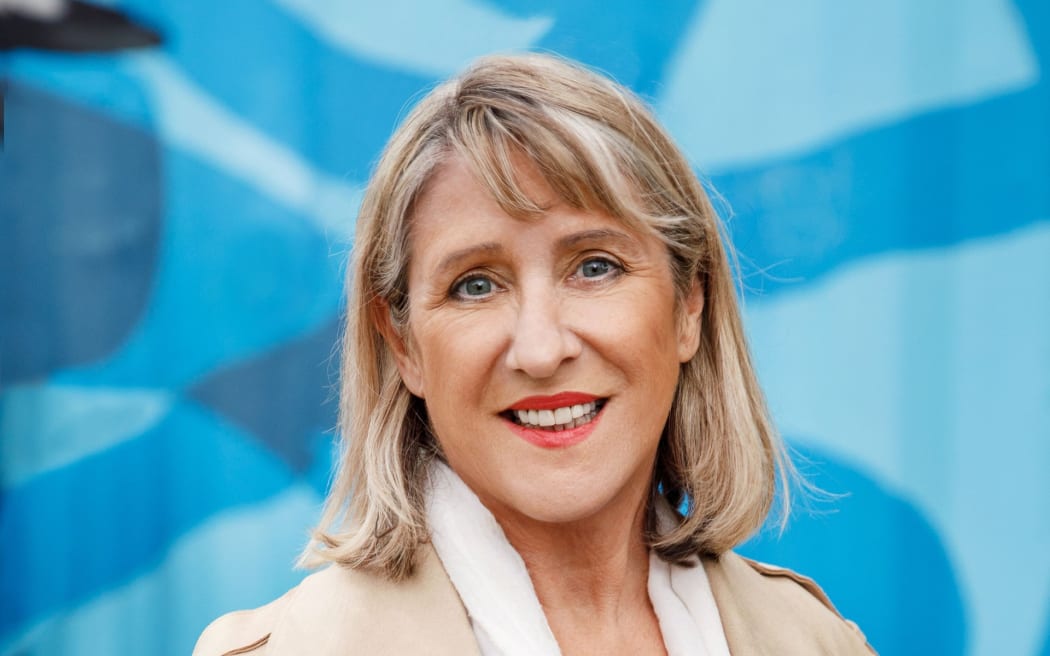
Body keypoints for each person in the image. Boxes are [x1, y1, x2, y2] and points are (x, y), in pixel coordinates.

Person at [194, 53, 875, 655]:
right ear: (404, 345)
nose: (542, 349)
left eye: (595, 267)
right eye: (476, 285)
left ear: (688, 306)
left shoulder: (814, 642)